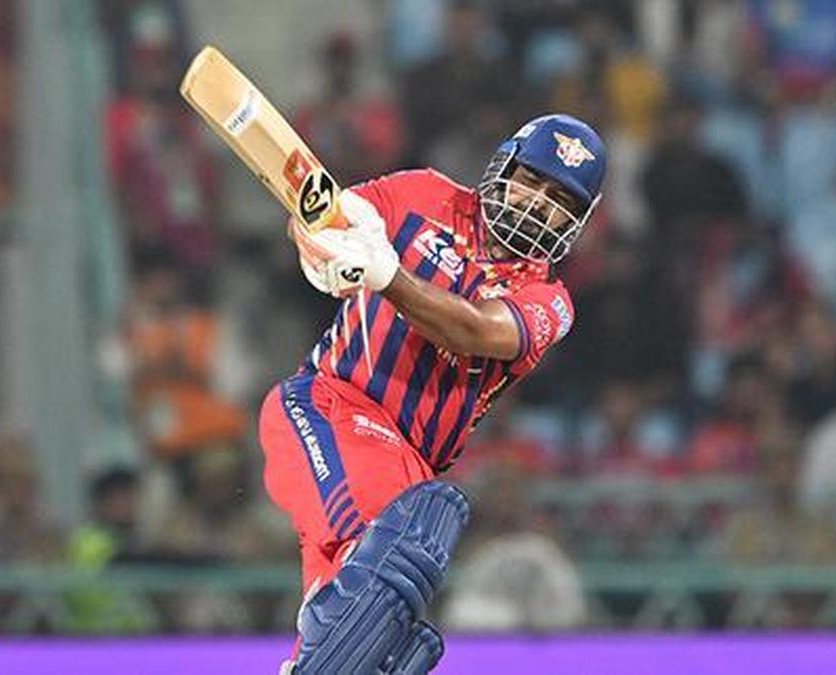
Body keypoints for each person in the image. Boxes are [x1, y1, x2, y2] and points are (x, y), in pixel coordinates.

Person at [260, 114, 606, 673]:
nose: (540, 204)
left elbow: (476, 331)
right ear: (503, 167)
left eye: (562, 200)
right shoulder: (422, 193)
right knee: (396, 542)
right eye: (532, 180)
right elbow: (326, 218)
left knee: (368, 628)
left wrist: (388, 277)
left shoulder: (551, 301)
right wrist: (321, 254)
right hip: (327, 407)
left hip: (409, 465)